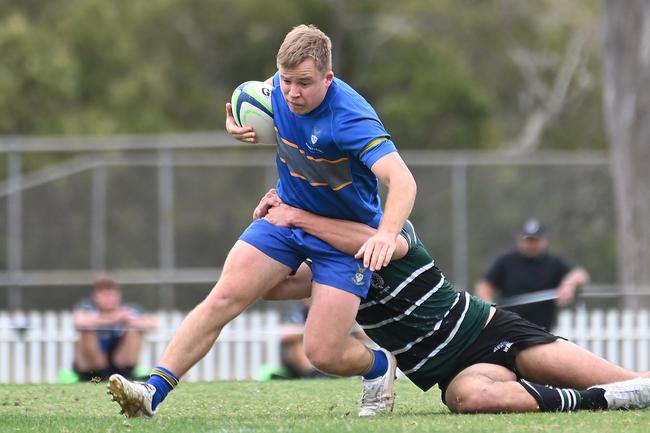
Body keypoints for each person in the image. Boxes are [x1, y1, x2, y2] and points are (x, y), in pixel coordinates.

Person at [107, 24, 417, 418]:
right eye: (286, 81)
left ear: (328, 77)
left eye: (304, 83)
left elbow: (402, 180)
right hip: (286, 219)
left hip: (342, 238)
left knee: (322, 352)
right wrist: (236, 122)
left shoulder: (351, 118)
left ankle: (377, 366)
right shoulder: (279, 91)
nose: (292, 93)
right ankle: (151, 392)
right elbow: (247, 98)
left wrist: (387, 234)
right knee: (225, 296)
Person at [258, 191, 650, 414]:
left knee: (634, 384)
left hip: (491, 331)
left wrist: (297, 217)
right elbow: (270, 286)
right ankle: (594, 401)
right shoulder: (331, 273)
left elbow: (376, 249)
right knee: (469, 401)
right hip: (454, 371)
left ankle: (610, 390)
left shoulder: (392, 231)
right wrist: (268, 228)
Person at [474, 218, 590, 330]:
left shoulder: (554, 263)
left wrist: (568, 283)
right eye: (528, 240)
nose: (531, 244)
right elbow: (484, 285)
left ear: (544, 240)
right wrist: (488, 307)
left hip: (543, 330)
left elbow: (581, 275)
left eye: (535, 240)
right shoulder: (506, 261)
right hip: (510, 329)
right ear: (520, 240)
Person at [73, 275, 157, 381]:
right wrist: (112, 320)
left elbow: (152, 323)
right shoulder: (87, 308)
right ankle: (96, 374)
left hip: (119, 359)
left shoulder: (128, 309)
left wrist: (129, 321)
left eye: (112, 295)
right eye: (105, 295)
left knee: (134, 331)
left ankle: (126, 373)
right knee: (87, 331)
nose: (109, 299)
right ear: (95, 296)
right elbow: (79, 321)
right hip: (92, 363)